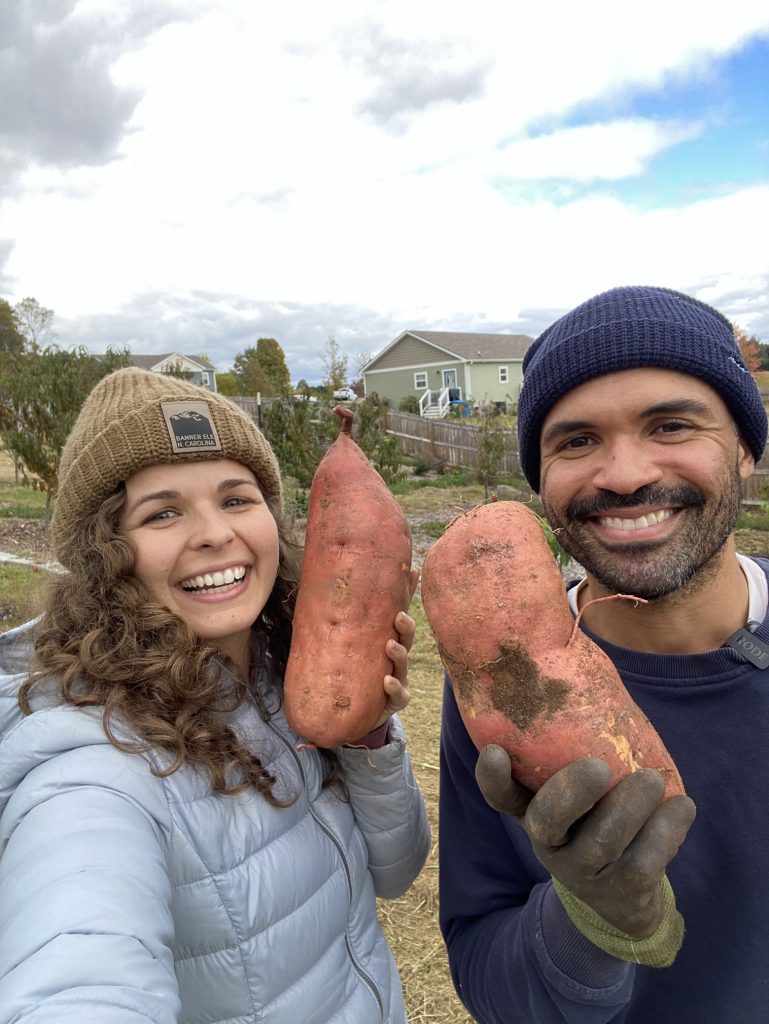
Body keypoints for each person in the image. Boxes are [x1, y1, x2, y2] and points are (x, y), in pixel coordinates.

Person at [0, 367, 430, 1024]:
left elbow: (395, 873)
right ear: (104, 552)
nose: (214, 533)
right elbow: (77, 966)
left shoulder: (281, 675)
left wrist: (367, 739)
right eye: (163, 511)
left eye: (236, 499)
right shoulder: (90, 762)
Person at [439, 285, 769, 1023]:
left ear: (745, 447)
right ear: (540, 478)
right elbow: (483, 970)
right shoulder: (498, 691)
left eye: (671, 425)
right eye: (576, 440)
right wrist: (588, 925)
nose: (622, 474)